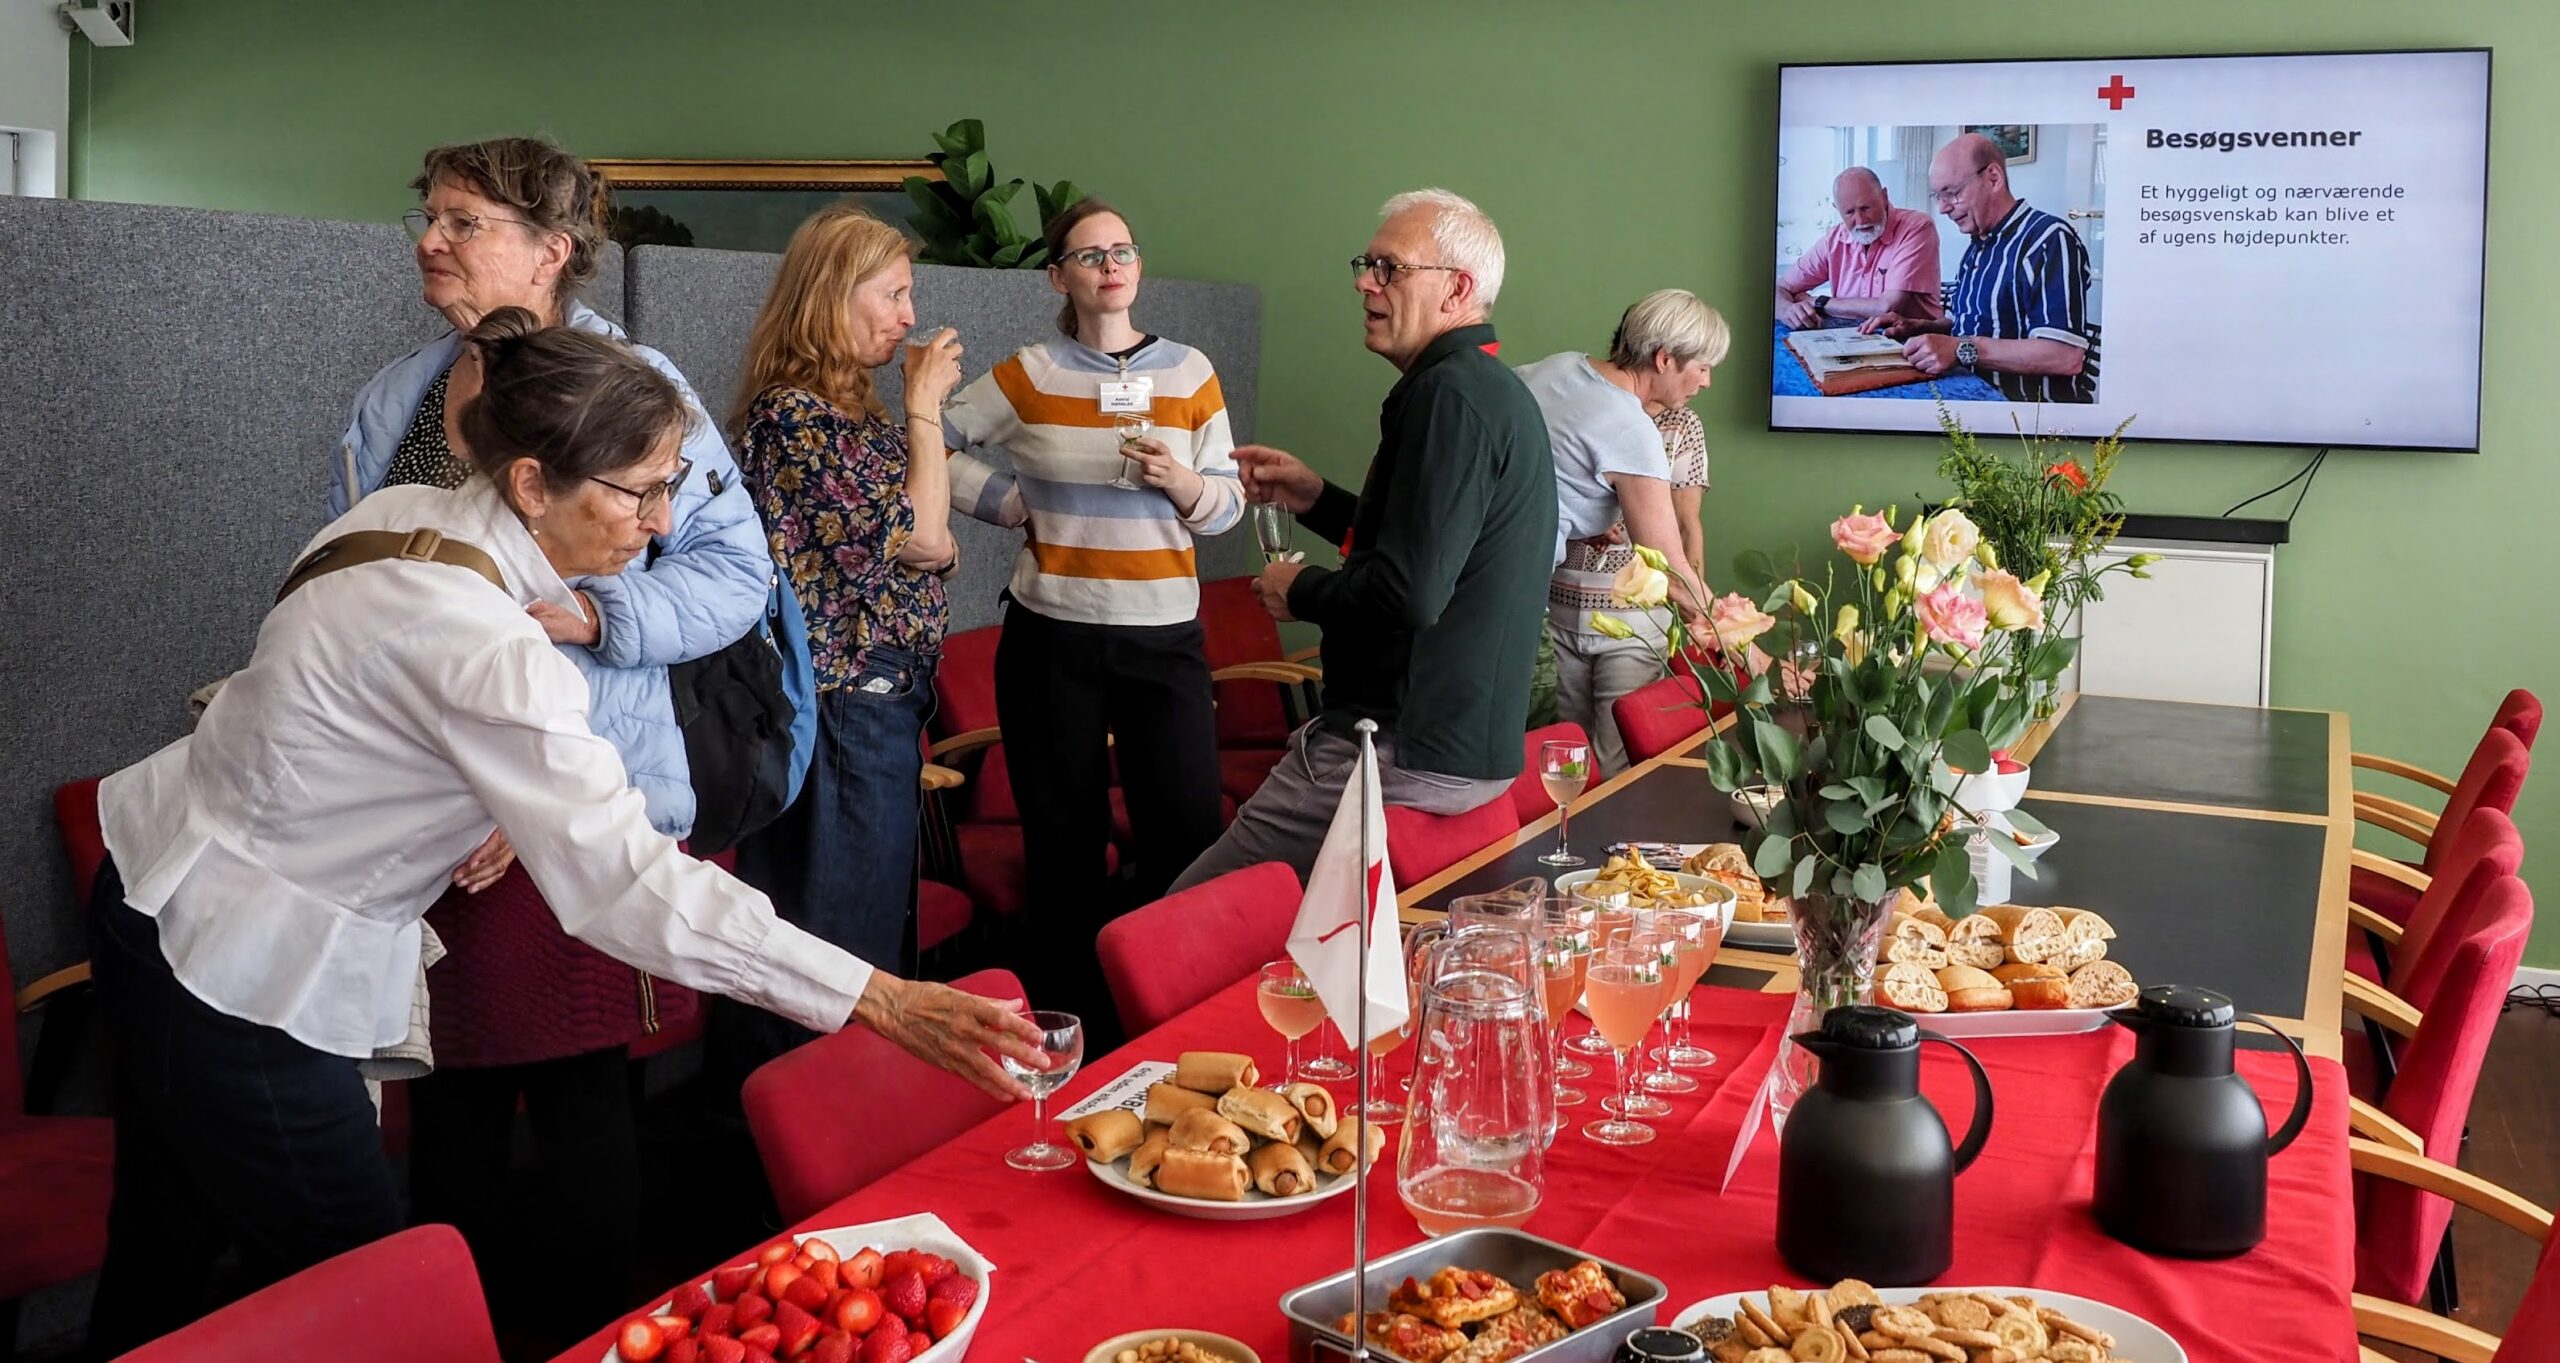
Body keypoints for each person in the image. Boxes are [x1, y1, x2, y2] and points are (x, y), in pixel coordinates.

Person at [88, 310, 1044, 1357]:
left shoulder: (404, 512)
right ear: (533, 483)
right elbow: (631, 888)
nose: (664, 523)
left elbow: (320, 691)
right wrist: (880, 995)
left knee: (161, 1254)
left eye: (672, 483)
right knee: (384, 1312)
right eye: (638, 491)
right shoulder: (492, 647)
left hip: (150, 884)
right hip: (236, 968)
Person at [331, 136, 774, 1339]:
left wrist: (602, 611)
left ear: (551, 249)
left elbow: (737, 572)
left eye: (464, 219)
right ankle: (456, 1333)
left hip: (569, 799)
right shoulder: (397, 398)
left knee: (581, 1108)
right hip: (433, 814)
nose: (431, 237)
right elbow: (364, 598)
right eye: (429, 214)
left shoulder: (635, 384)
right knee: (452, 1110)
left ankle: (596, 1332)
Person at [1168, 188, 1555, 892]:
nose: (1363, 282)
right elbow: (1434, 546)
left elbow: (1410, 591)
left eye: (1389, 268)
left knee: (1179, 924)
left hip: (1398, 746)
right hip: (1468, 748)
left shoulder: (1447, 397)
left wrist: (1302, 590)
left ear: (1457, 289)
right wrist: (1318, 499)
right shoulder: (1485, 388)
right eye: (1366, 264)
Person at [937, 198, 1240, 1009]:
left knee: (1184, 835)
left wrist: (1184, 485)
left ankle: (1179, 1008)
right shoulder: (1030, 371)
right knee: (1062, 845)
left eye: (1124, 250)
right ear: (1058, 275)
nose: (1111, 265)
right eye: (1091, 254)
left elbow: (1230, 503)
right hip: (1052, 638)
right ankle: (1068, 1028)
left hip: (1163, 638)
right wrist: (1004, 502)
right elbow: (929, 437)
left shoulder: (1188, 370)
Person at [728, 204, 962, 1039]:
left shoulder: (854, 416)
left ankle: (861, 1131)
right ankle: (808, 1138)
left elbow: (932, 546)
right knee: (839, 949)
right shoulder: (794, 419)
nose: (909, 316)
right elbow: (926, 535)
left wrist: (926, 540)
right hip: (838, 708)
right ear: (833, 296)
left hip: (886, 701)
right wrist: (925, 407)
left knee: (872, 938)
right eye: (894, 294)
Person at [1527, 290, 1729, 775]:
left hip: (1477, 583)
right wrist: (1747, 647)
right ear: (1663, 359)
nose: (1706, 380)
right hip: (1531, 599)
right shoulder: (1630, 427)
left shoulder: (1552, 370)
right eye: (1700, 366)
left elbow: (1532, 474)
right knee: (1602, 771)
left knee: (1558, 758)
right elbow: (1670, 569)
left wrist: (1578, 517)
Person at [1863, 134, 2095, 404]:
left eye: (1952, 193)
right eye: (1937, 196)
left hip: (2024, 420)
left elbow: (2065, 356)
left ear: (1994, 177)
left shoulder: (2048, 239)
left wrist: (1960, 349)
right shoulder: (1978, 245)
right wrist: (1917, 326)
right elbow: (1973, 324)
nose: (1943, 208)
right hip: (1968, 395)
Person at [1774, 167, 1944, 328]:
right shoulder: (1834, 240)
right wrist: (1788, 311)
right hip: (1848, 341)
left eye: (1866, 208)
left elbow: (1886, 308)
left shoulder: (1917, 227)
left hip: (1913, 344)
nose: (1861, 221)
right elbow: (1780, 288)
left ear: (1884, 196)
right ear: (1837, 209)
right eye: (1849, 212)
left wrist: (1818, 302)